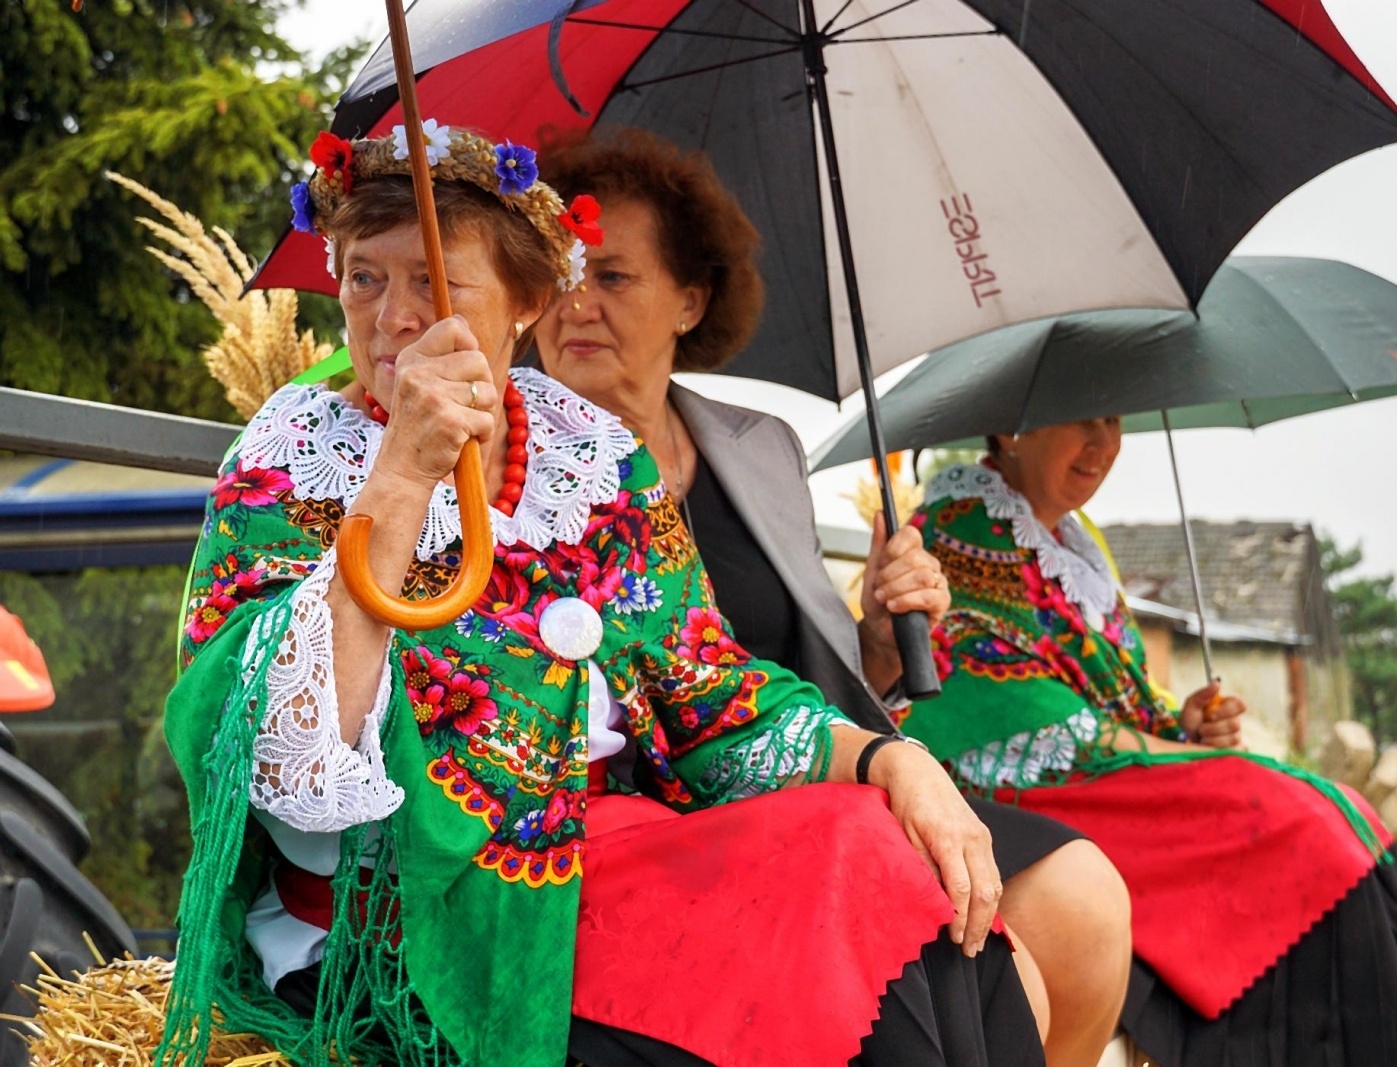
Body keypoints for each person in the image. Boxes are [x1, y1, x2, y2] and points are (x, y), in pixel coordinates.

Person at [158, 124, 1043, 1067]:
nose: (394, 316)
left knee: (886, 865)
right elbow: (277, 762)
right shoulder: (297, 445)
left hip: (610, 865)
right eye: (365, 278)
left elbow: (707, 690)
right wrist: (401, 474)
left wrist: (888, 761)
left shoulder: (592, 453)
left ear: (528, 302)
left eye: (437, 283)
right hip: (409, 915)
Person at [532, 128, 1130, 1067]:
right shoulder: (506, 452)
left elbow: (819, 676)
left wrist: (885, 643)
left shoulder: (759, 447)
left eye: (613, 277)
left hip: (810, 770)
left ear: (691, 299)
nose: (576, 302)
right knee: (1010, 980)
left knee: (1079, 897)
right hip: (660, 815)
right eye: (559, 271)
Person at [900, 418, 1397, 1065]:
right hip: (1041, 791)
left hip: (1110, 767)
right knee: (1300, 819)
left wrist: (1183, 727)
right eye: (1080, 416)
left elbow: (1122, 688)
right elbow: (1007, 707)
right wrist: (1174, 750)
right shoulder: (960, 525)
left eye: (1112, 421)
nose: (1102, 443)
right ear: (1010, 428)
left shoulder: (1076, 545)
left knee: (1336, 809)